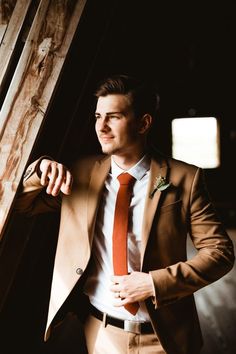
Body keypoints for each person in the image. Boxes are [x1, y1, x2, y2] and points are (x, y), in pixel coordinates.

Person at [15, 74, 234, 354]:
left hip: (165, 338)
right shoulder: (79, 174)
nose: (101, 127)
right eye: (98, 116)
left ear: (143, 123)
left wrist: (154, 282)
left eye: (113, 117)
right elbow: (22, 206)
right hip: (100, 333)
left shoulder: (184, 179)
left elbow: (220, 253)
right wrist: (38, 170)